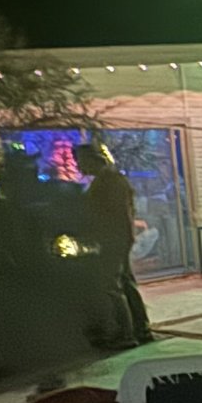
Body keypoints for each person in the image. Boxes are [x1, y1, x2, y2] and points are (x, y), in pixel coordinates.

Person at [76, 142, 153, 348]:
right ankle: (141, 329)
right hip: (117, 239)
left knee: (112, 286)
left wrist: (115, 239)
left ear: (94, 160)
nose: (78, 166)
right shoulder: (109, 181)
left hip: (113, 240)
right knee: (126, 283)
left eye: (81, 161)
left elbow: (116, 215)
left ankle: (125, 335)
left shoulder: (109, 182)